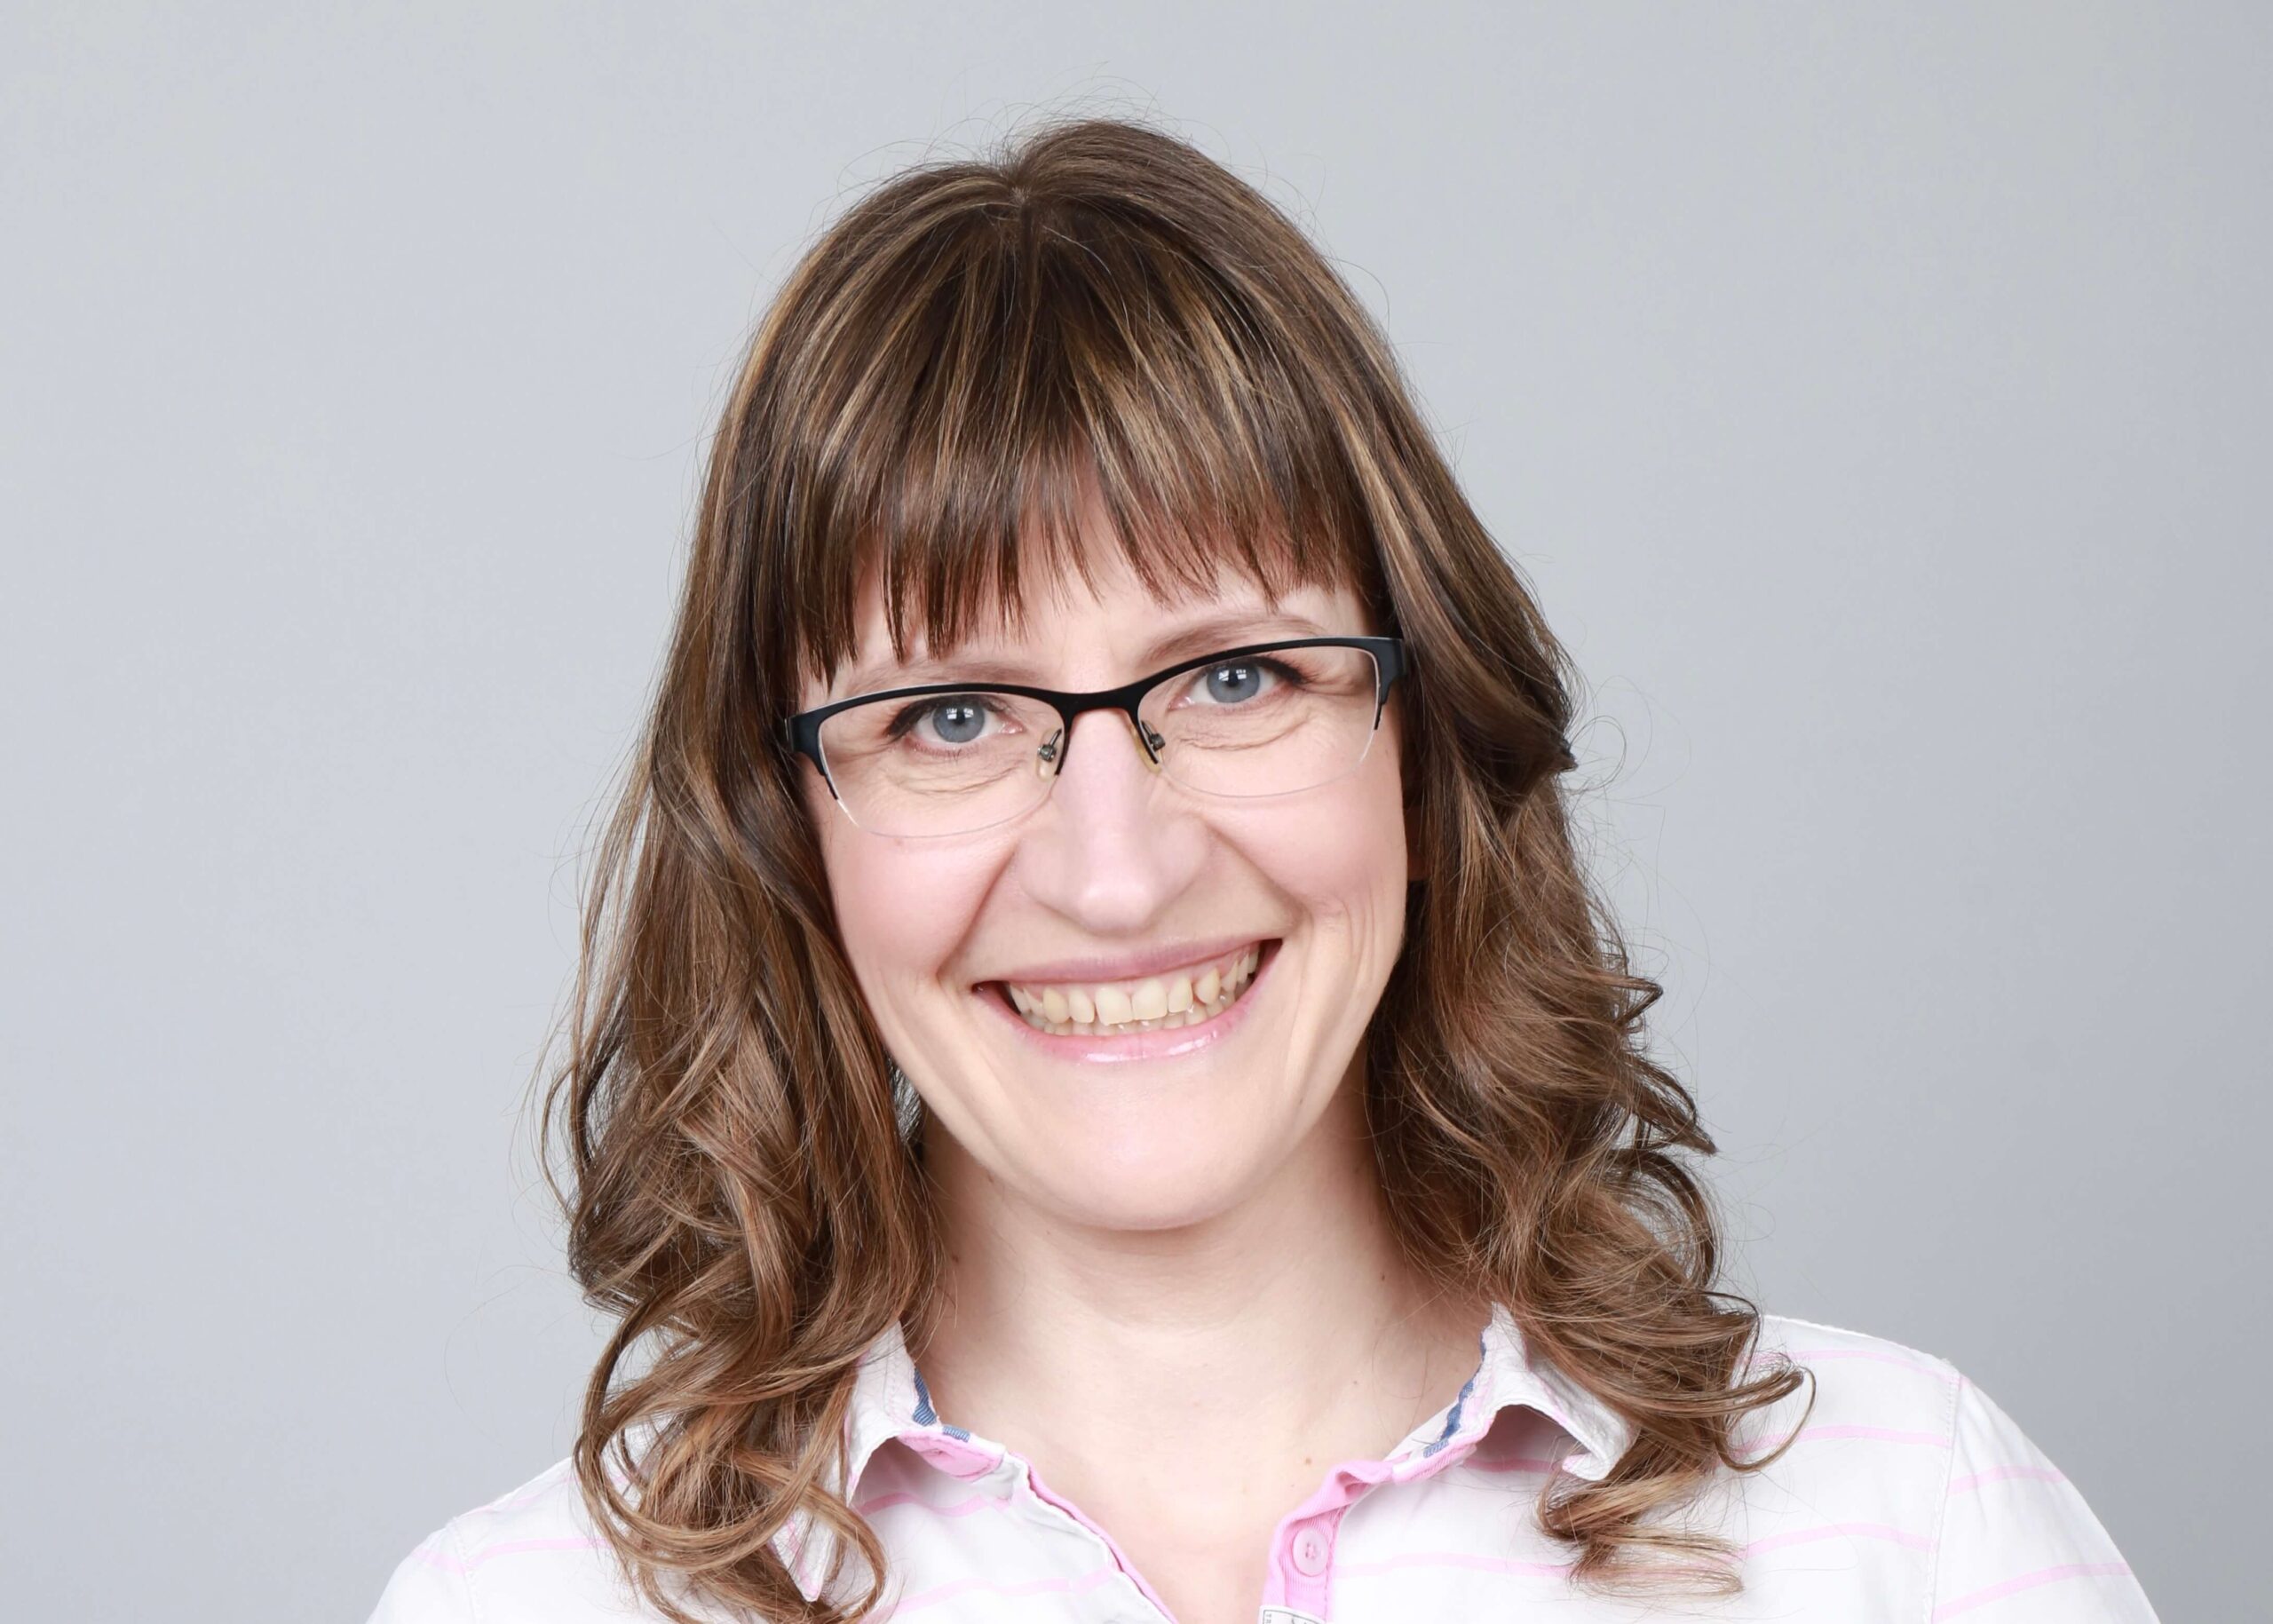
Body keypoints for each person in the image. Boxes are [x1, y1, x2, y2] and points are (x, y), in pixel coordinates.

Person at [368, 117, 2156, 1624]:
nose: (1116, 871)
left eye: (1233, 680)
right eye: (949, 719)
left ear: (1418, 730)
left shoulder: (1912, 1531)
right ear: (783, 826)